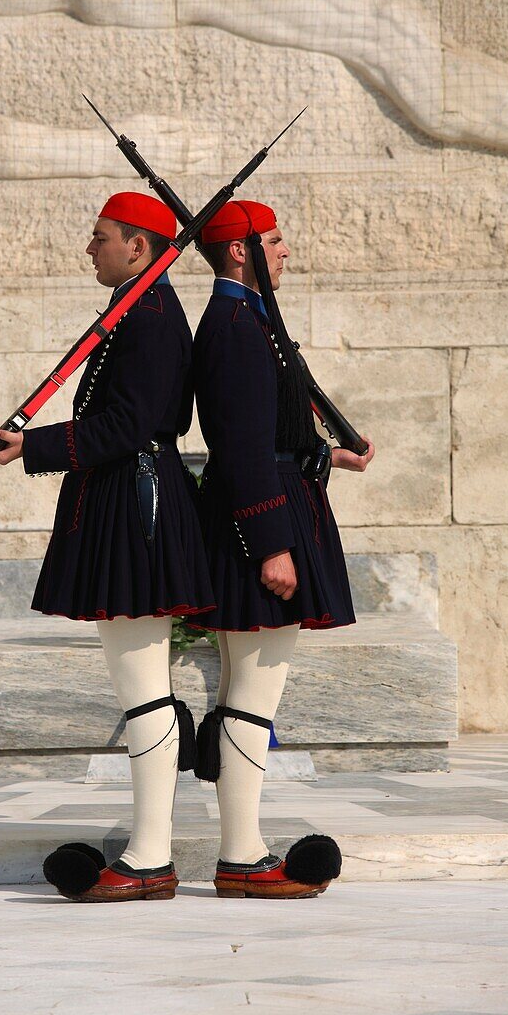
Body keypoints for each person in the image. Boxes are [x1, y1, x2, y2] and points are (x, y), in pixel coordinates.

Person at [0, 191, 216, 902]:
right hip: (123, 499)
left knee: (144, 691)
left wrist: (36, 444)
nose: (90, 249)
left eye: (100, 238)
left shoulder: (147, 318)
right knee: (140, 688)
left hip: (135, 503)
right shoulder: (135, 313)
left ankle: (148, 858)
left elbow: (128, 424)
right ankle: (149, 852)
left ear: (137, 247)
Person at [190, 199, 375, 898]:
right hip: (261, 519)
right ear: (239, 252)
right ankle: (241, 856)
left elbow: (269, 430)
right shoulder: (236, 327)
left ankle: (241, 850)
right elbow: (237, 448)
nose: (286, 250)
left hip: (272, 501)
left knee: (249, 691)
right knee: (254, 695)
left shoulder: (249, 321)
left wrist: (325, 454)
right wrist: (272, 544)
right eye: (274, 240)